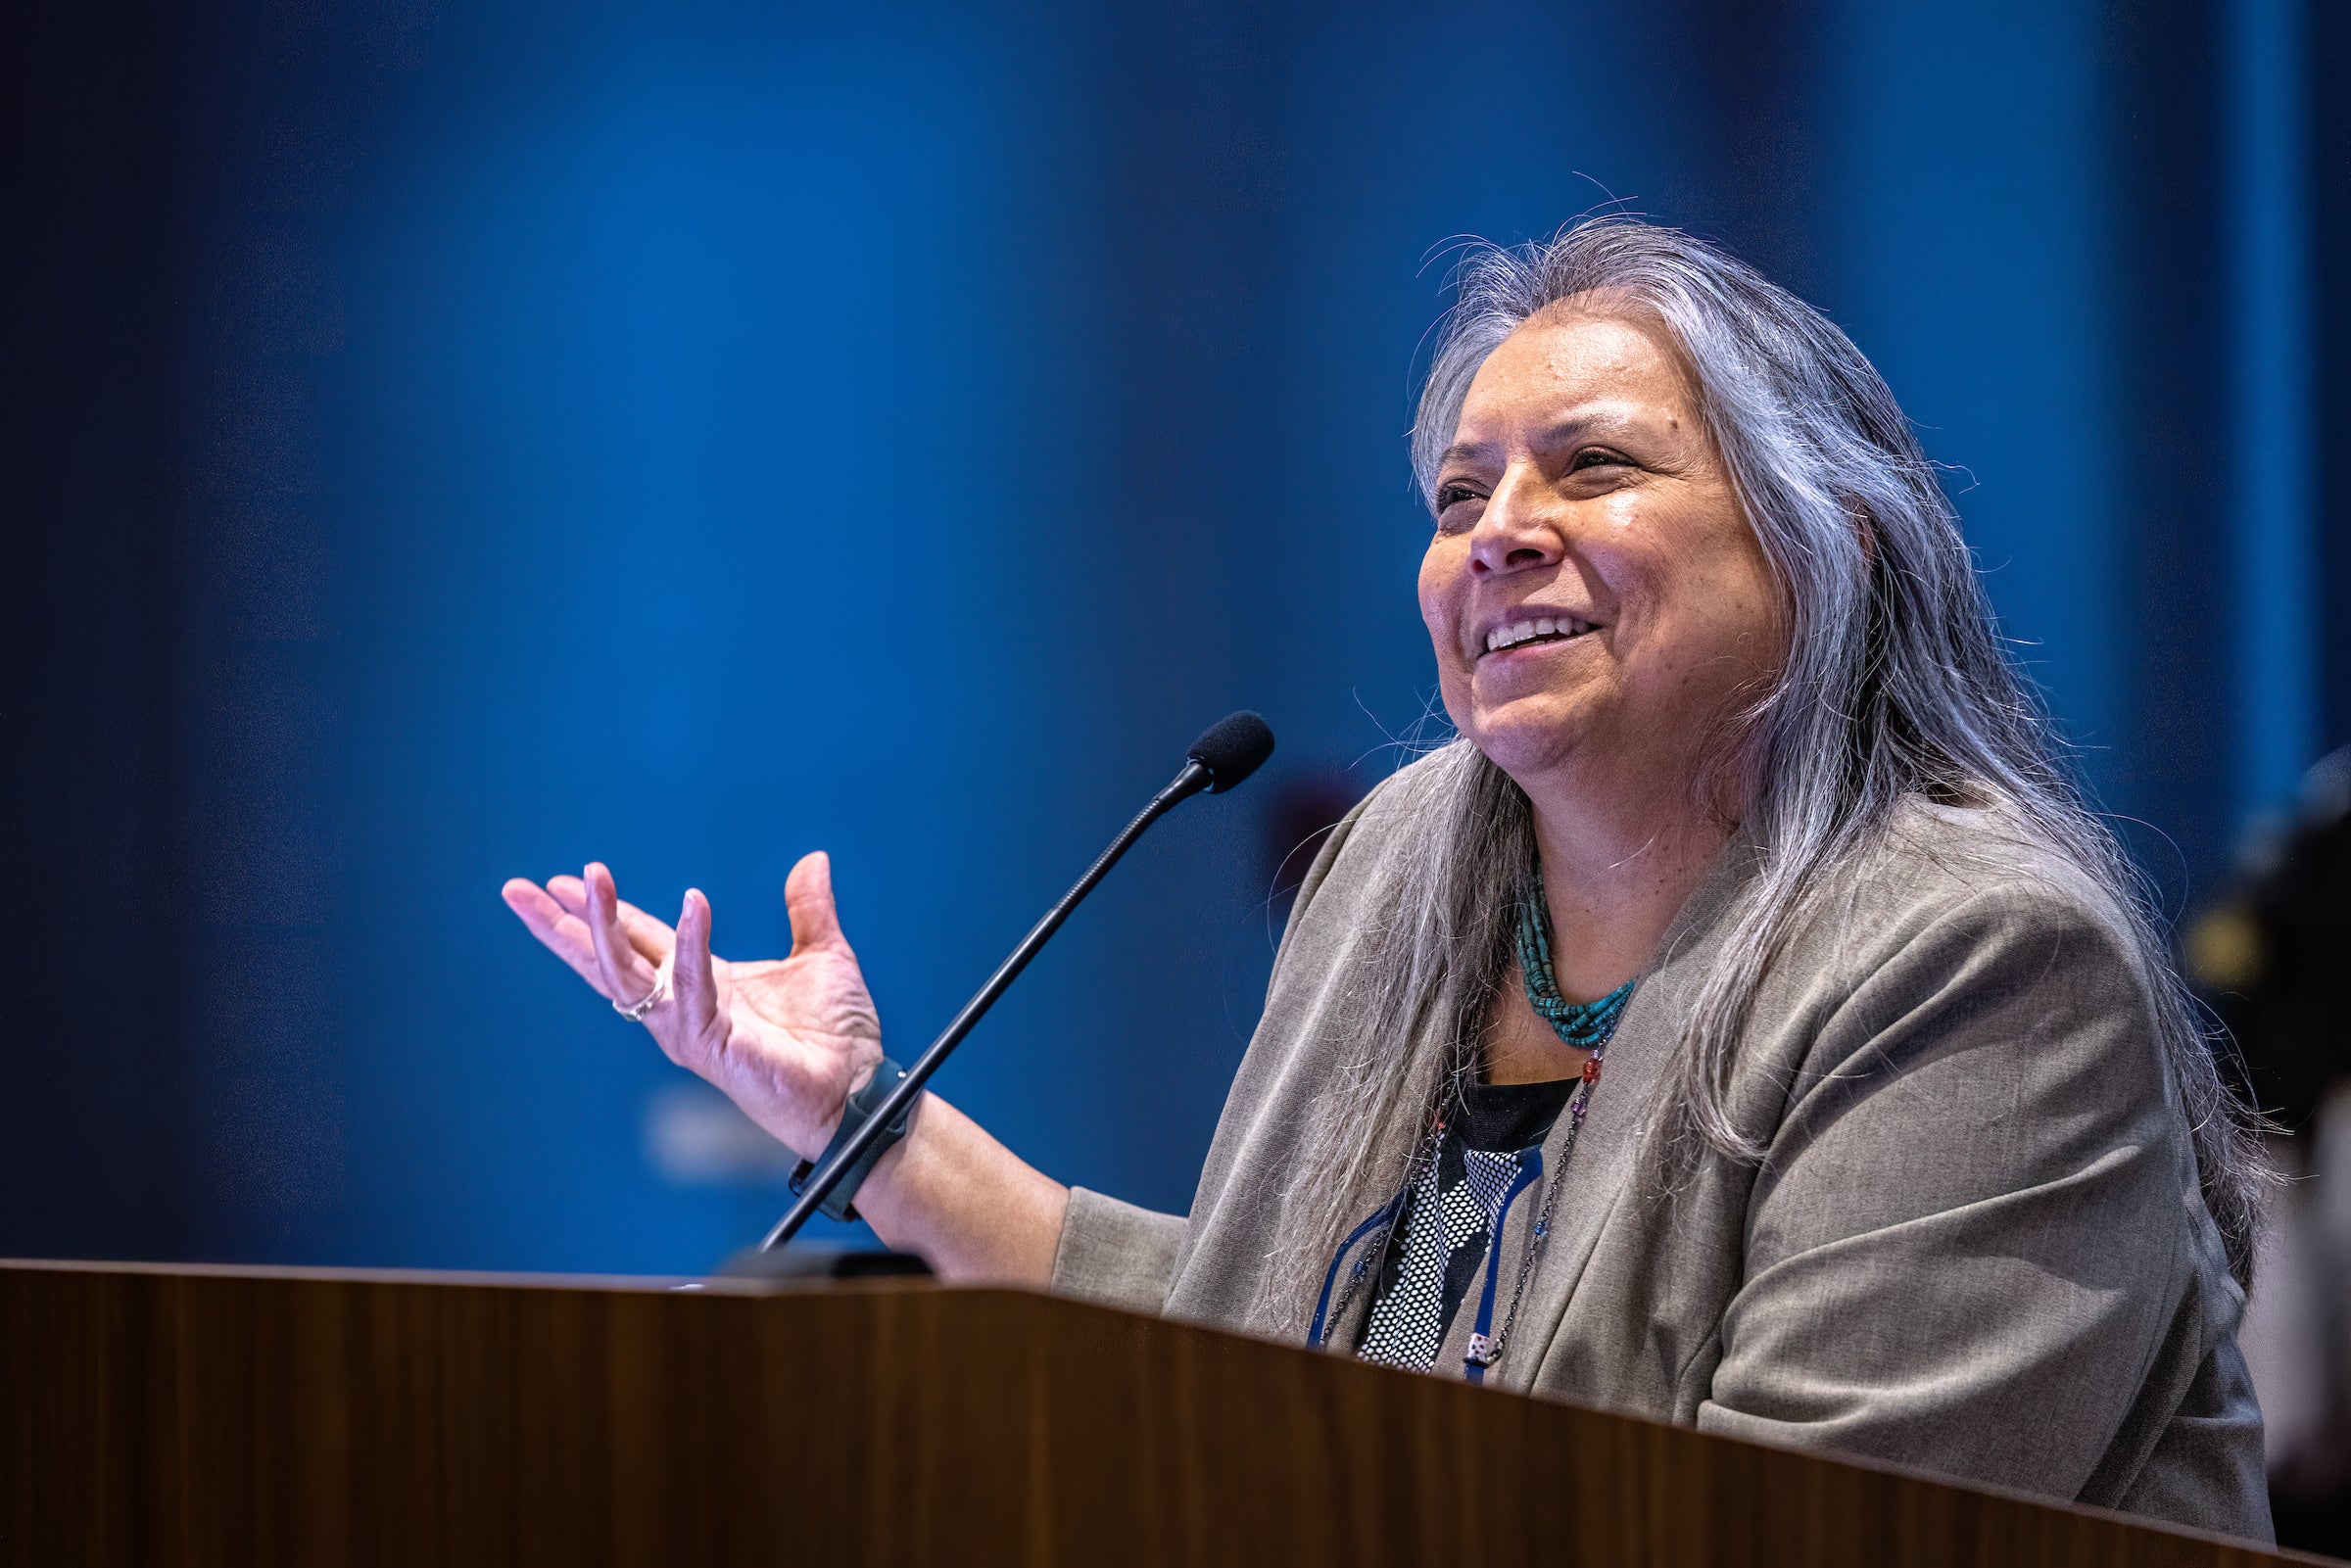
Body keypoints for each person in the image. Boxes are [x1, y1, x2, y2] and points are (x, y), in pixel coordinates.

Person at [503, 216, 2274, 1541]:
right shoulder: (1408, 877)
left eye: (1594, 468)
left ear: (1835, 542)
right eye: (1456, 495)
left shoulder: (1972, 960)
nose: (1497, 530)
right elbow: (1257, 1369)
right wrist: (863, 1121)